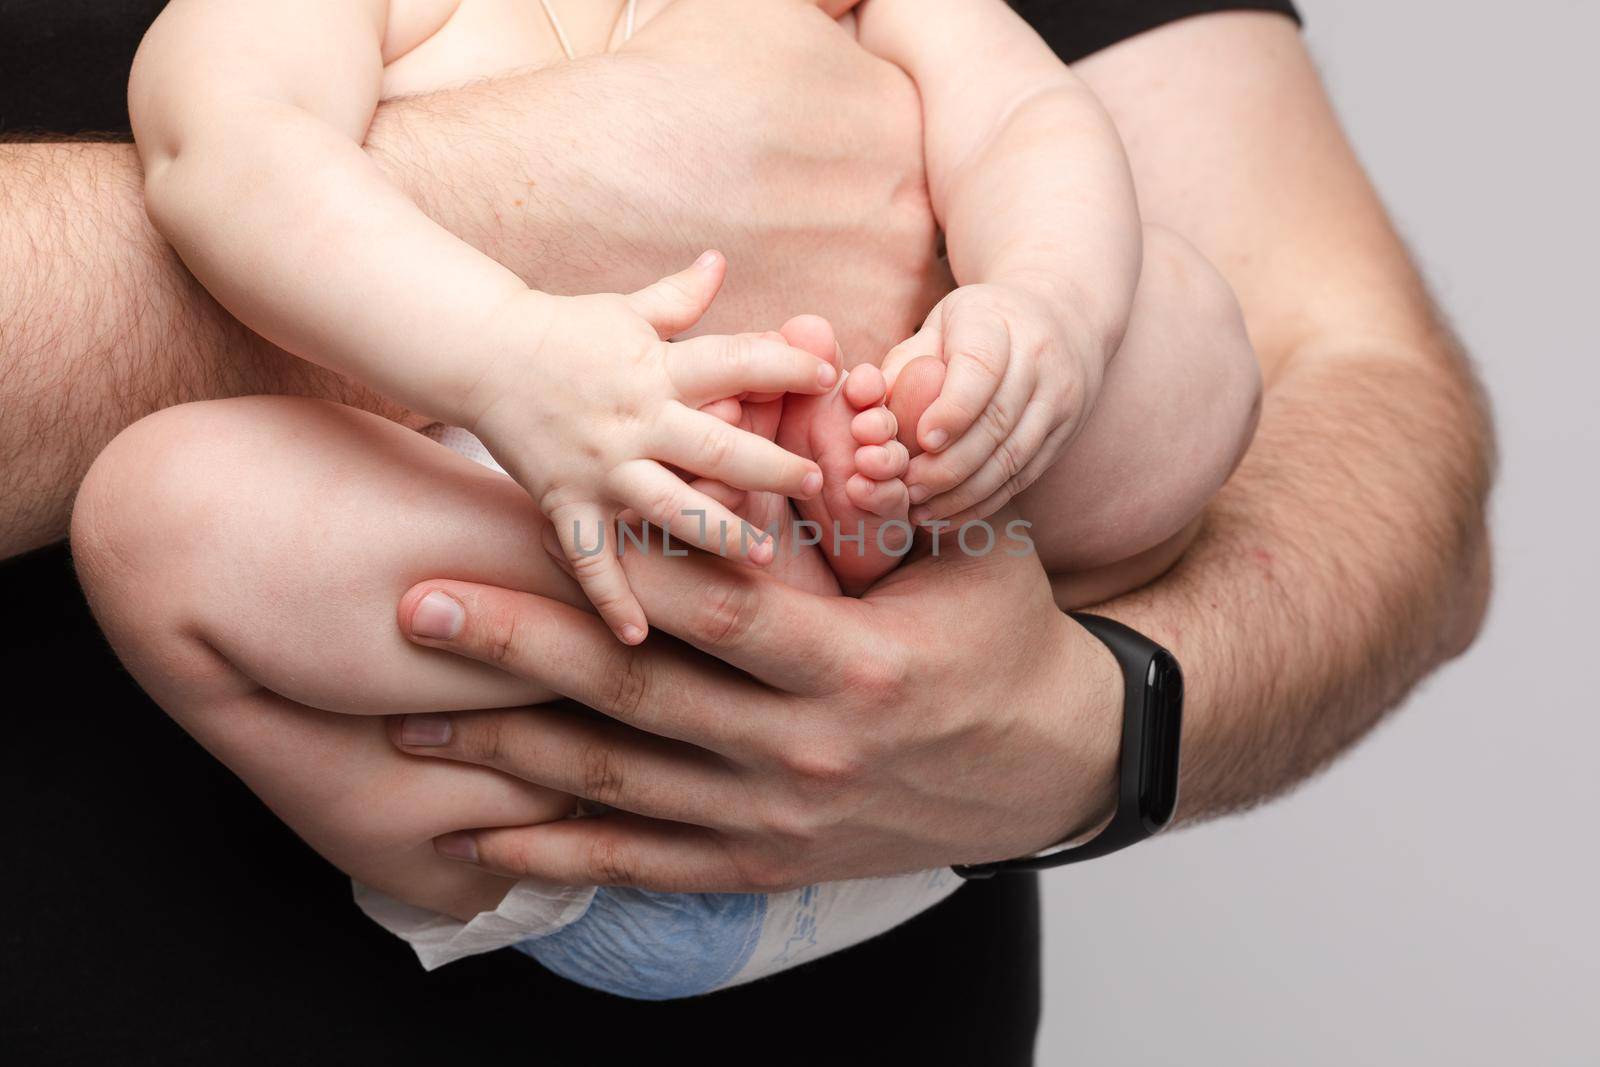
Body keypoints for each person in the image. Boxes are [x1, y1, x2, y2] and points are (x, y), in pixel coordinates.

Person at [0, 1, 1492, 1063]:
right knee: (163, 514)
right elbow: (229, 159)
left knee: (1180, 327)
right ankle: (549, 774)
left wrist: (1033, 315)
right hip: (551, 767)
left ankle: (868, 544)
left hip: (925, 623)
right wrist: (506, 350)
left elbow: (1037, 119)